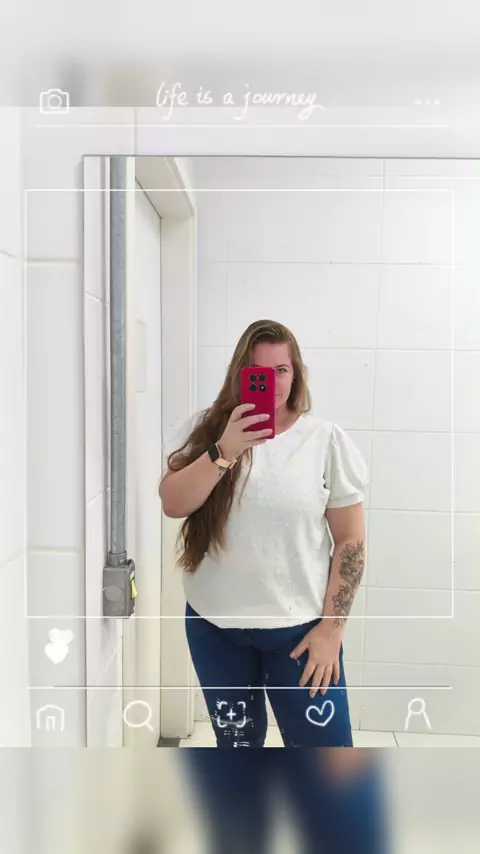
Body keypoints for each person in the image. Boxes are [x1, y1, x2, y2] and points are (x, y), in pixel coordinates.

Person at [159, 319, 368, 748]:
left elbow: (351, 540)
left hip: (300, 632)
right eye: (257, 372)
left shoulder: (324, 440)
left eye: (281, 370)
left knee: (326, 757)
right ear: (240, 375)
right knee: (238, 748)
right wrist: (226, 450)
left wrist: (332, 631)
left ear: (296, 374)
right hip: (215, 628)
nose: (270, 382)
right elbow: (173, 503)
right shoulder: (209, 432)